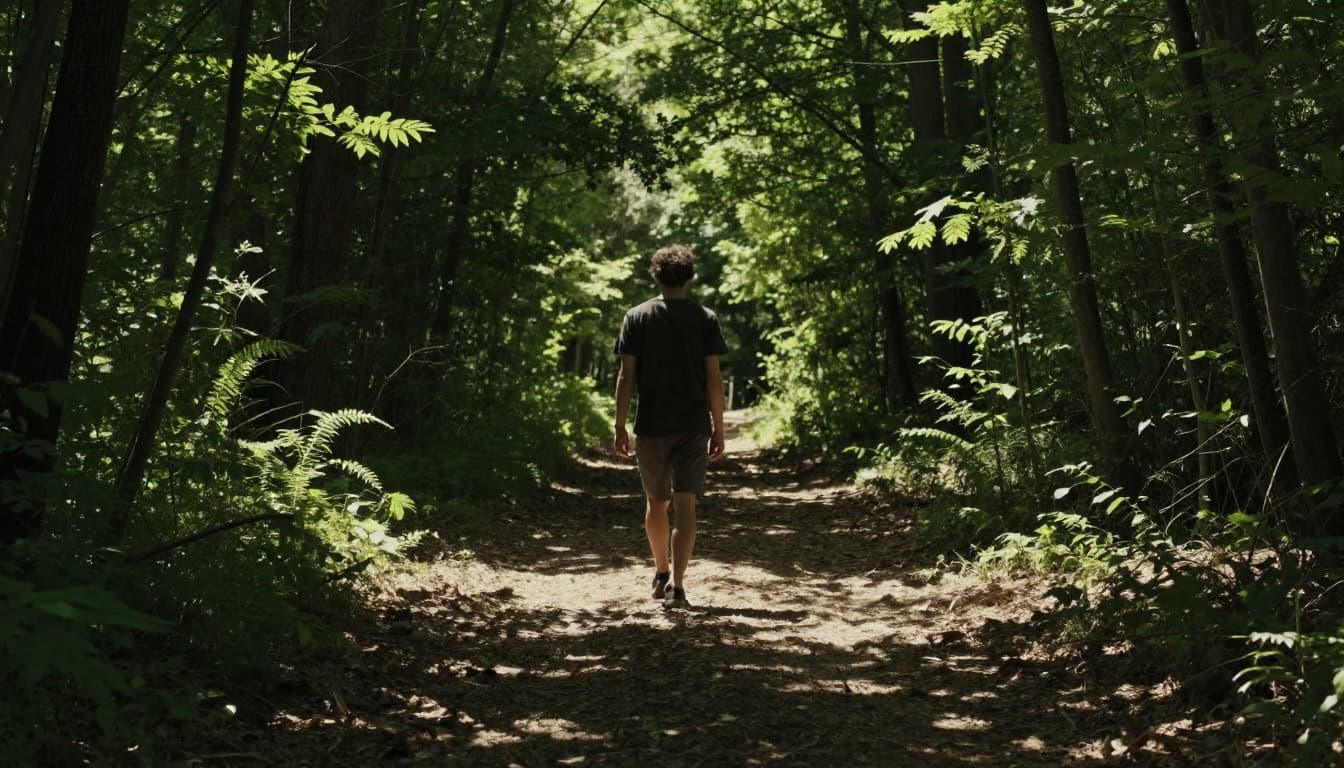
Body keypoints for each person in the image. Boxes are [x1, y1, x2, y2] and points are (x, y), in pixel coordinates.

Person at [612, 244, 728, 610]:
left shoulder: (636, 317)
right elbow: (714, 380)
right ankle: (678, 586)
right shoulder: (705, 318)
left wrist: (619, 424)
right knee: (686, 505)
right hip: (694, 424)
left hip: (652, 425)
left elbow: (625, 377)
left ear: (656, 275)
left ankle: (661, 572)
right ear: (689, 276)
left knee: (656, 503)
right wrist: (719, 427)